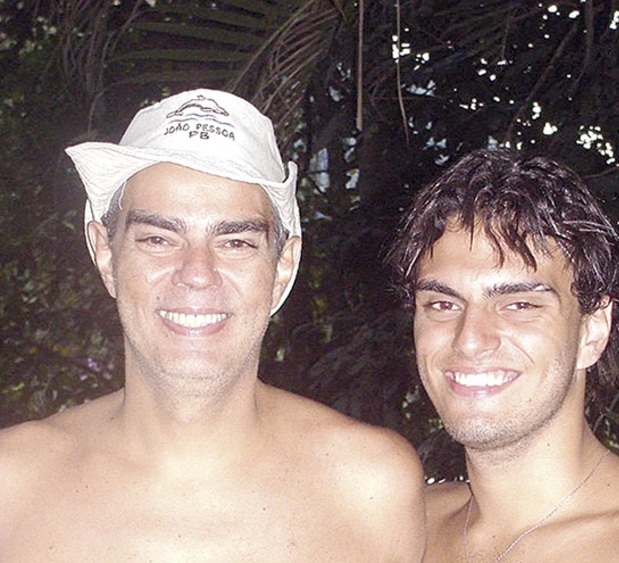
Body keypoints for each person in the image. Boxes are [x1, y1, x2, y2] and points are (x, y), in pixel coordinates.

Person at [0, 89, 425, 562]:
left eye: (236, 242)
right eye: (158, 239)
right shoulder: (12, 486)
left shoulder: (370, 487)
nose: (197, 273)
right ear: (106, 254)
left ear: (282, 266)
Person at [386, 147, 619, 562]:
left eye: (519, 305)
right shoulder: (406, 529)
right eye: (443, 304)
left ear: (592, 331)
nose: (469, 340)